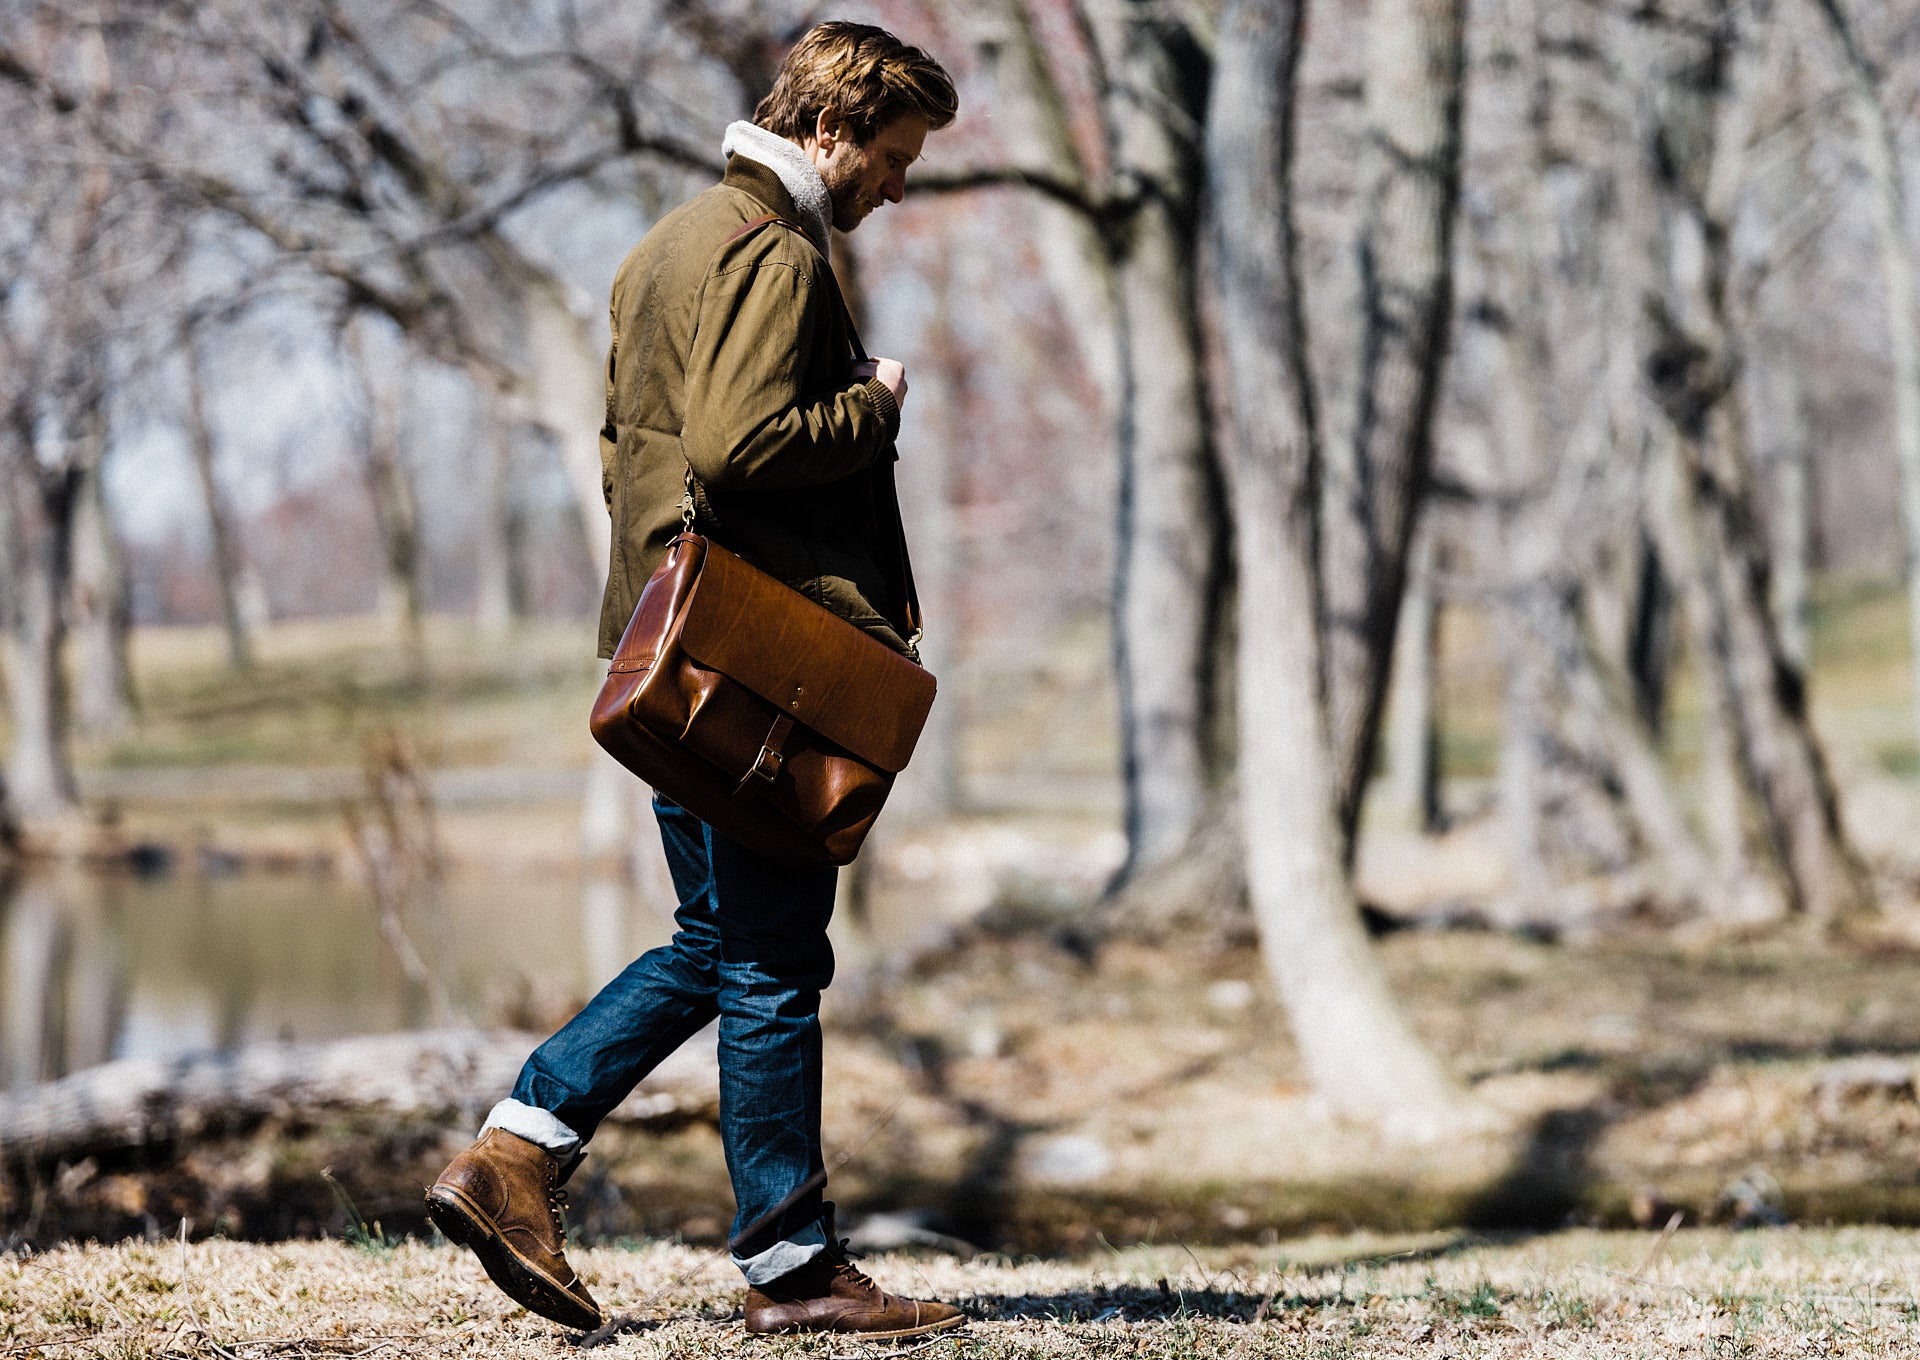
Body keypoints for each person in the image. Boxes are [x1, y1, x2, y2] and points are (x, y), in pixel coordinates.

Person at [424, 21, 963, 1341]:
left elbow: (635, 459)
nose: (895, 187)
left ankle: (517, 1152)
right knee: (773, 963)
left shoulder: (663, 248)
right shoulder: (773, 252)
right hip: (744, 673)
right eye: (890, 159)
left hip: (676, 658)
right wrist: (875, 403)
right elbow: (740, 443)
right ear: (830, 131)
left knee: (722, 943)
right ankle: (792, 1264)